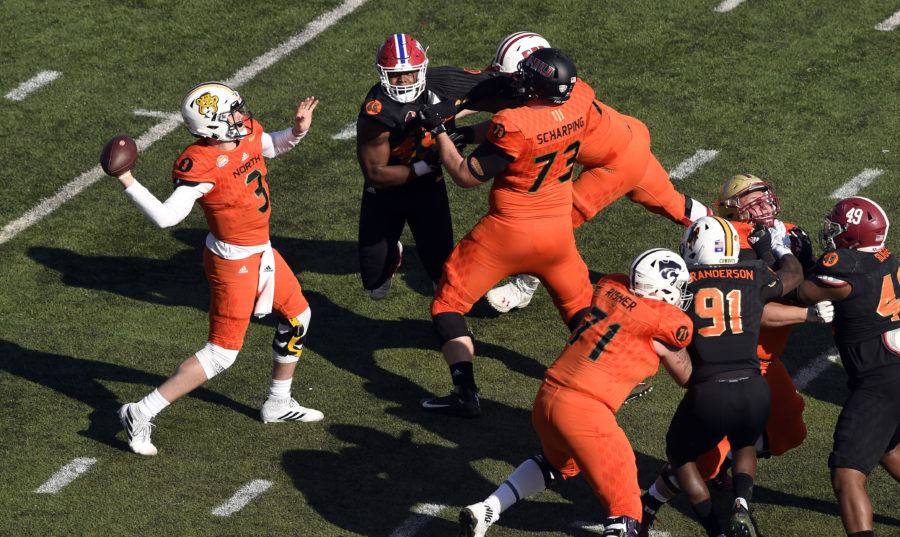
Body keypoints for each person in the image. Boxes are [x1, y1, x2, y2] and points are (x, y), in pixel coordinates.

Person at [109, 82, 322, 456]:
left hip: (261, 252)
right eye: (232, 113)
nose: (242, 116)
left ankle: (278, 402)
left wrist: (297, 132)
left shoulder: (248, 134)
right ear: (211, 127)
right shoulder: (200, 163)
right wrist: (127, 179)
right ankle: (140, 412)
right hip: (233, 262)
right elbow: (166, 217)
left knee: (299, 316)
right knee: (222, 354)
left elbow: (270, 145)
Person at [638, 174, 834, 535]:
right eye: (752, 202)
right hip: (735, 357)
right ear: (732, 211)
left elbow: (806, 283)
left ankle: (726, 465)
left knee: (790, 431)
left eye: (765, 198)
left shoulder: (791, 233)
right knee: (704, 461)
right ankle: (647, 504)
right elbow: (760, 307)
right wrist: (805, 310)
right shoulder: (727, 245)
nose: (764, 207)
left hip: (766, 362)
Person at [458, 248, 695, 537]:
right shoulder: (663, 323)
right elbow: (686, 376)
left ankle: (486, 510)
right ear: (663, 287)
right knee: (625, 505)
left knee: (559, 464)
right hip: (585, 411)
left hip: (548, 397)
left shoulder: (610, 289)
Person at [417, 47, 596, 417]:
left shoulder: (514, 124)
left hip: (508, 232)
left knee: (447, 305)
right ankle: (613, 377)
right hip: (558, 232)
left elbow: (467, 175)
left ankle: (465, 391)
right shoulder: (581, 99)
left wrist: (441, 133)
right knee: (580, 312)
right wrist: (469, 131)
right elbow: (532, 133)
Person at [483, 31, 710, 316]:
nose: (515, 83)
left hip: (616, 165)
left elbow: (524, 139)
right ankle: (741, 234)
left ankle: (523, 289)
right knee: (677, 206)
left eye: (519, 76)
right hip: (631, 136)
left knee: (555, 224)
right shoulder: (564, 87)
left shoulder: (548, 112)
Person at [663, 215, 802, 537]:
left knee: (681, 455)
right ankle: (741, 502)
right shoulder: (752, 273)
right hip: (755, 387)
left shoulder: (684, 282)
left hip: (708, 389)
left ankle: (716, 531)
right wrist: (776, 248)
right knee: (744, 443)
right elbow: (792, 277)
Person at [356, 33, 503, 300]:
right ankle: (392, 256)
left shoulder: (442, 81)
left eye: (410, 74)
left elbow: (491, 86)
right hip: (387, 191)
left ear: (422, 70)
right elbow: (376, 175)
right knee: (374, 284)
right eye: (395, 76)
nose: (402, 82)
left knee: (442, 273)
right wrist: (429, 164)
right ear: (382, 74)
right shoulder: (377, 113)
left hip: (427, 189)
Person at [795, 197, 900, 537]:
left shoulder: (843, 266)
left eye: (837, 228)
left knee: (846, 473)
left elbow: (797, 294)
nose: (831, 232)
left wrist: (784, 259)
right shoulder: (886, 258)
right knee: (887, 447)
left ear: (854, 236)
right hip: (893, 366)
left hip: (879, 380)